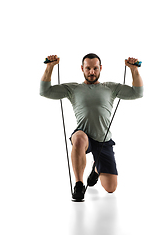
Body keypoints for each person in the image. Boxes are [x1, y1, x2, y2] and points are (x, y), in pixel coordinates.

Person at [40, 53, 143, 201]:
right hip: (84, 136)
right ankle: (79, 184)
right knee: (79, 138)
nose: (92, 72)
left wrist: (134, 70)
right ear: (82, 68)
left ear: (100, 68)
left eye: (95, 68)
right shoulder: (73, 89)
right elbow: (45, 91)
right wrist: (50, 67)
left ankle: (96, 168)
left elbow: (137, 93)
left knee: (110, 188)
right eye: (88, 68)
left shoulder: (110, 88)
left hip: (104, 140)